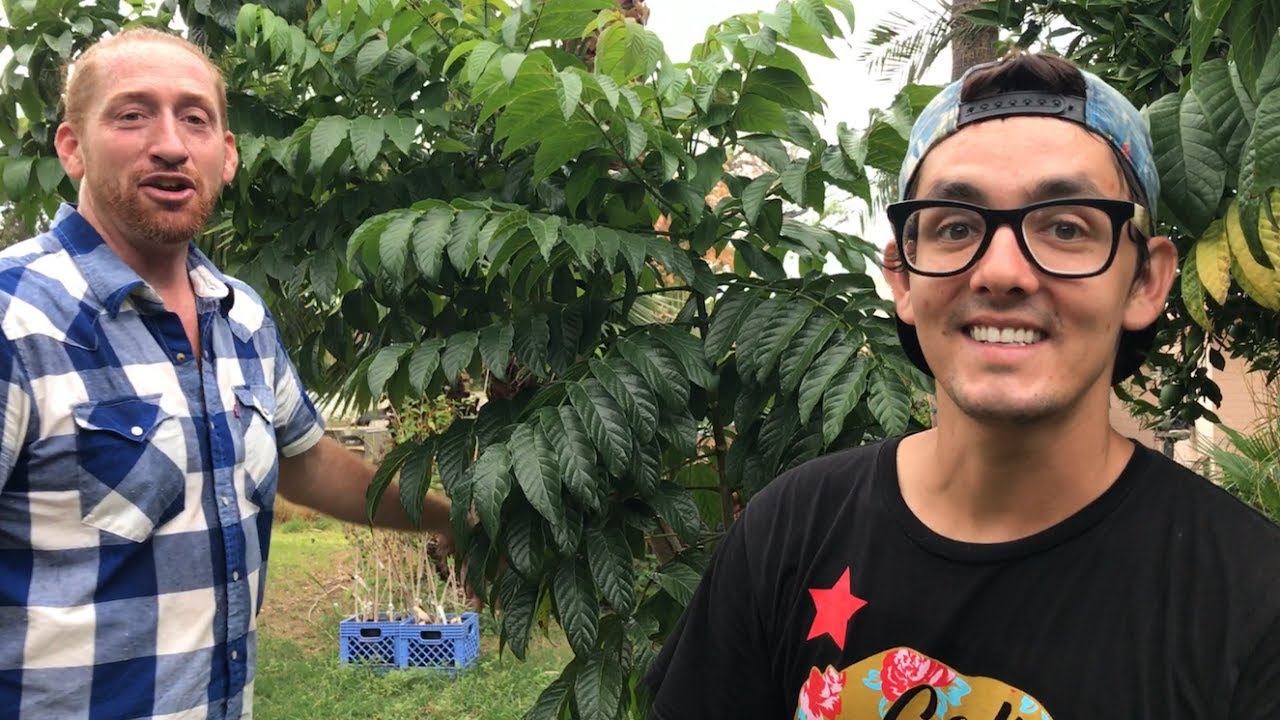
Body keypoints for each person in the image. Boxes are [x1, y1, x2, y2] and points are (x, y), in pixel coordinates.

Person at [645, 52, 1280, 719]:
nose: (1001, 272)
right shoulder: (790, 531)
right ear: (902, 278)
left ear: (1146, 281)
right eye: (956, 227)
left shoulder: (1250, 604)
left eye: (1066, 226)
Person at [0, 29, 453, 719]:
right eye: (131, 114)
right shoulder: (15, 317)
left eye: (195, 118)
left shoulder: (239, 315)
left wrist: (458, 521)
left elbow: (307, 464)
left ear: (227, 155)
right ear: (71, 148)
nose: (171, 144)